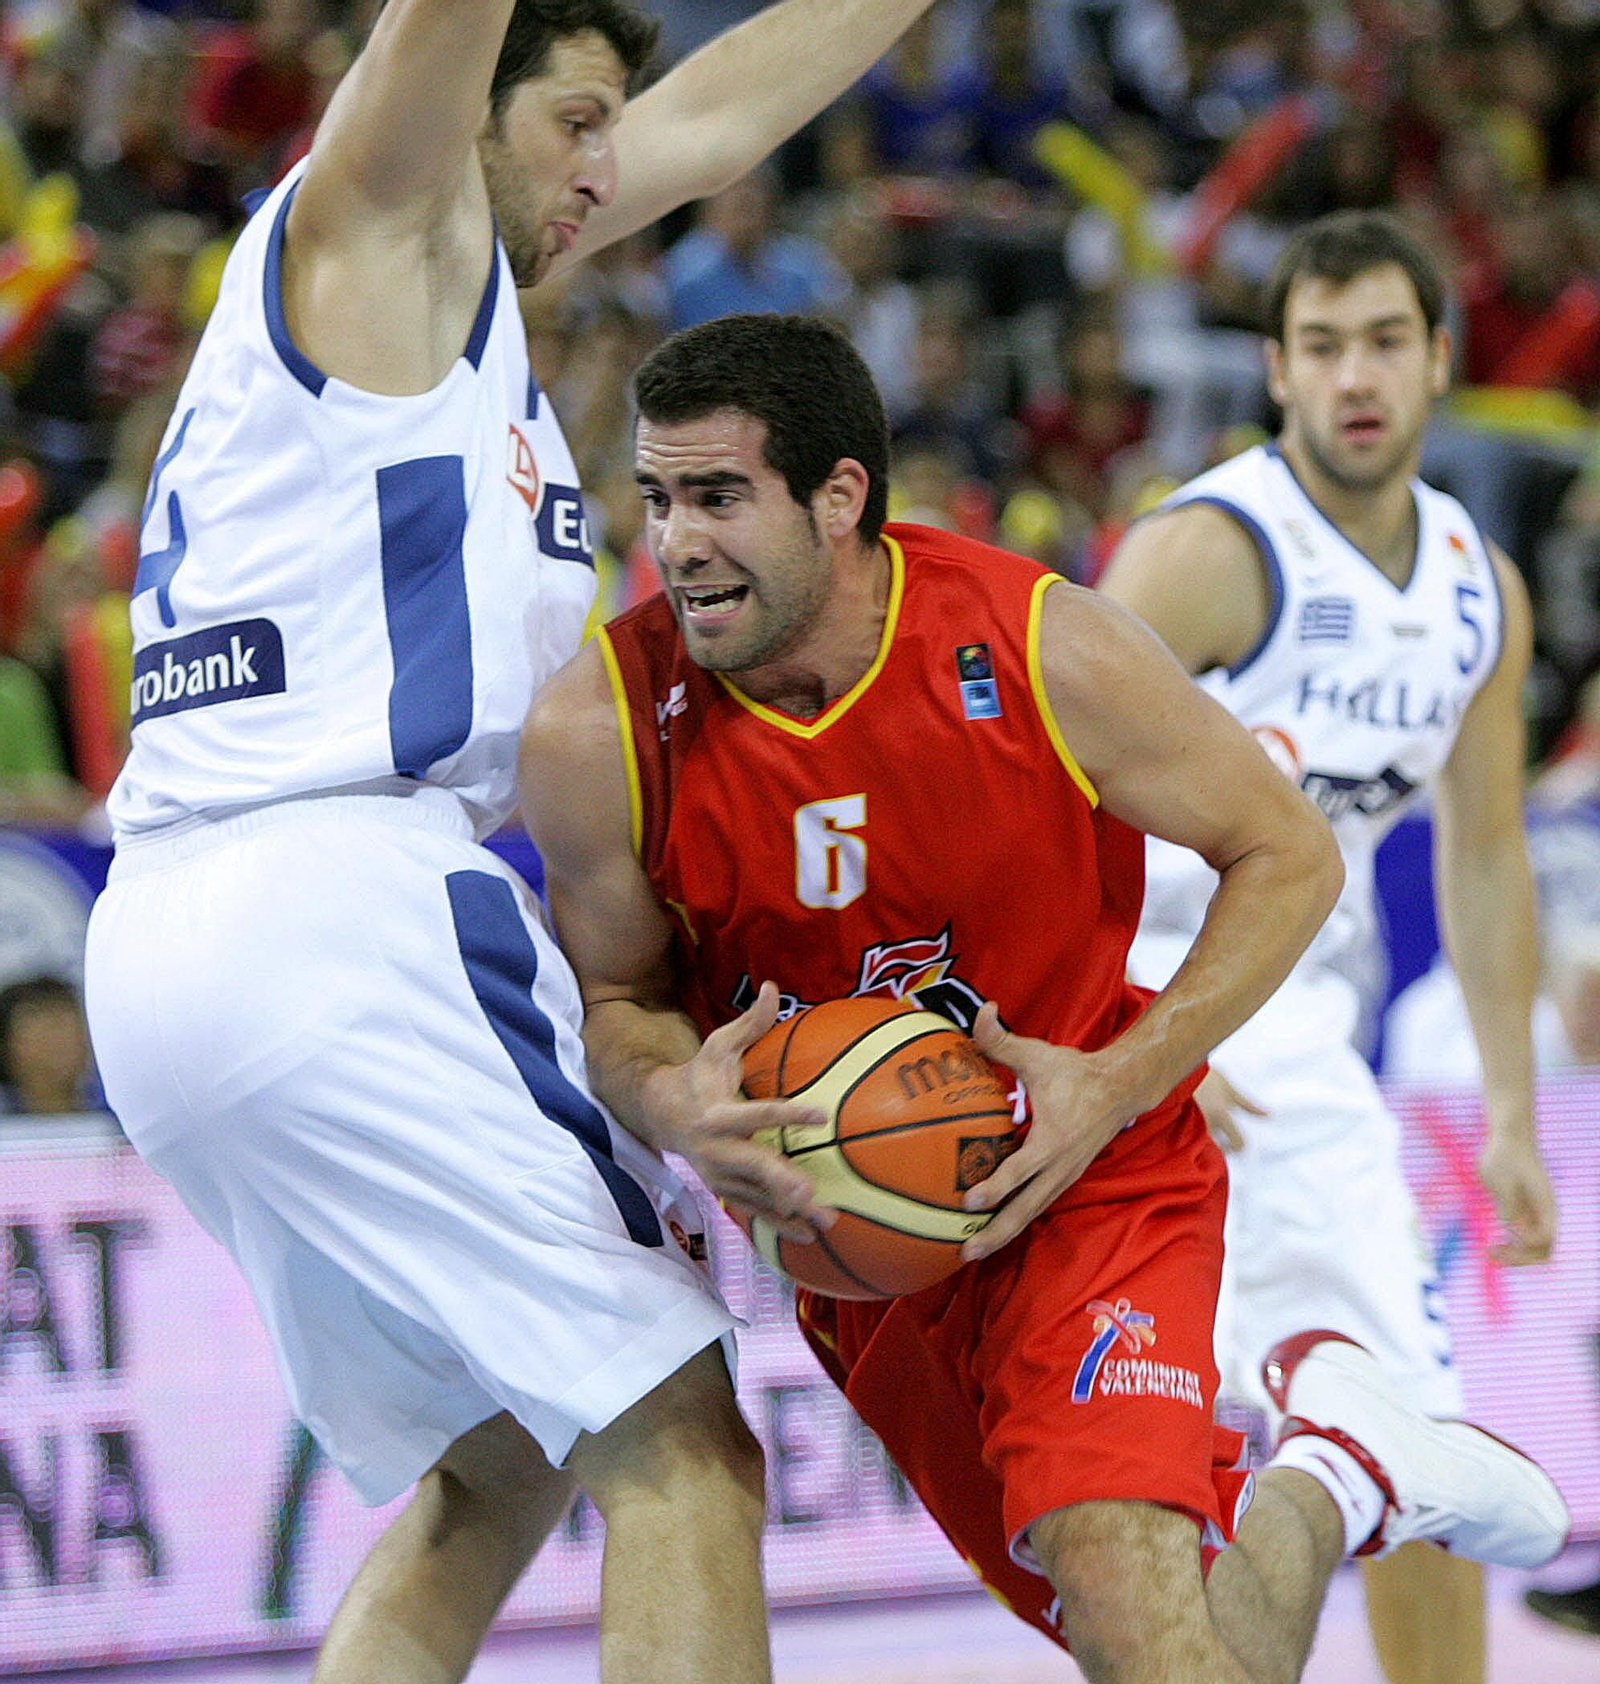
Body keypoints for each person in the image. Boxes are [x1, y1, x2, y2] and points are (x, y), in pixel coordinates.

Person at [81, 4, 954, 1682]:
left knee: (495, 1462)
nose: (604, 168)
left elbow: (725, 111)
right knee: (686, 1455)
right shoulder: (371, 213)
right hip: (341, 907)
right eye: (572, 121)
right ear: (460, 108)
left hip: (187, 950)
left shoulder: (452, 282)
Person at [518, 311, 1568, 1684]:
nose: (677, 541)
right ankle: (1341, 1470)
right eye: (657, 498)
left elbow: (1289, 853)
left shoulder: (1038, 643)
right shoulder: (597, 731)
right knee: (1185, 1656)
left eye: (720, 497)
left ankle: (1335, 1457)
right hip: (868, 1250)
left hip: (1092, 1176)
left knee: (1133, 1607)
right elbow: (619, 998)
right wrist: (674, 1097)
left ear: (840, 499)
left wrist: (1122, 1080)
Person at [1098, 210, 1561, 1684]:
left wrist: (1506, 1111)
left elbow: (1486, 857)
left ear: (1439, 362)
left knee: (1347, 1454)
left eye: (1382, 343)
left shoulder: (1482, 591)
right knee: (1385, 1441)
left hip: (1293, 1022)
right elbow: (1029, 793)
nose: (1354, 376)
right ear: (1277, 375)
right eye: (1320, 347)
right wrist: (1133, 1017)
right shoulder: (1204, 556)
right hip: (1166, 1008)